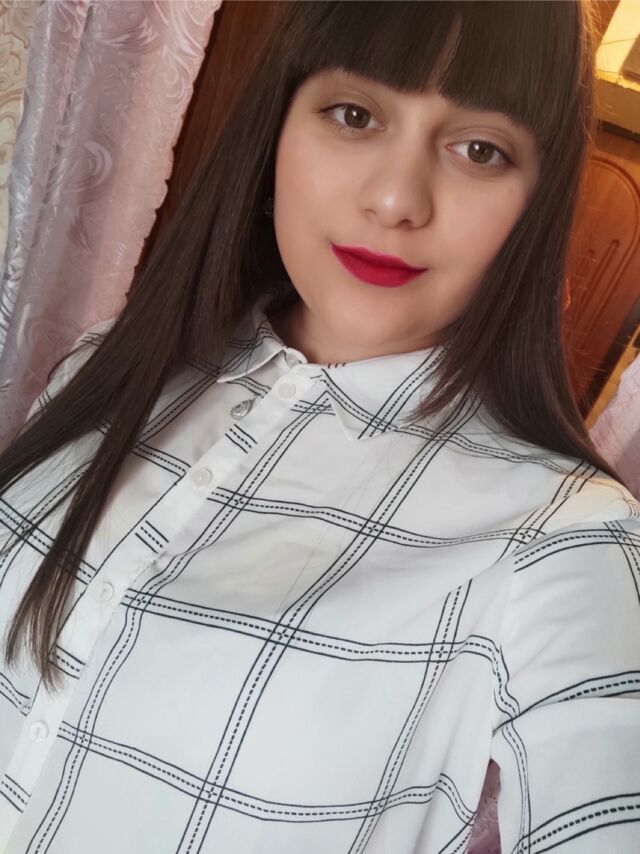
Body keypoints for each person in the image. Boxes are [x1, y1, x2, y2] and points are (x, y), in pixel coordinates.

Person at [0, 1, 638, 852]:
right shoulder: (106, 367)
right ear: (278, 127)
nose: (395, 199)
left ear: (535, 204)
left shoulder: (565, 536)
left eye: (480, 150)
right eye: (354, 115)